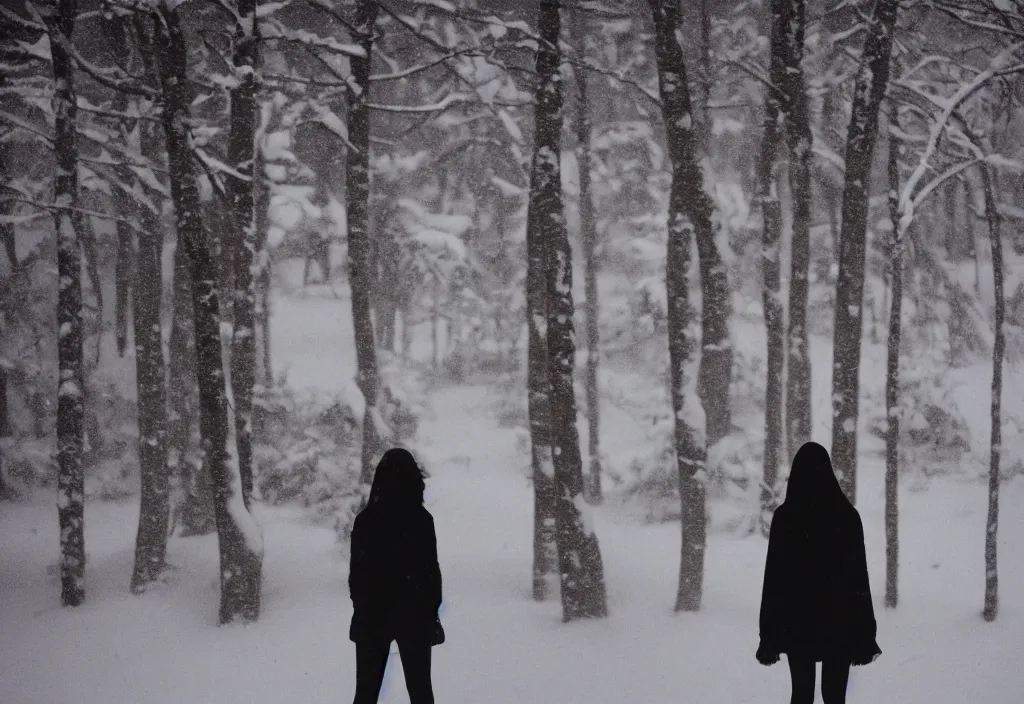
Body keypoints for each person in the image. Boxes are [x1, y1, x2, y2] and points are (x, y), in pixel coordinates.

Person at [756, 442, 881, 704]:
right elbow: (859, 579)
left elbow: (774, 580)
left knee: (801, 694)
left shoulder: (785, 519)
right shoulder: (847, 518)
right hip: (840, 622)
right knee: (835, 696)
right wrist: (865, 630)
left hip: (798, 623)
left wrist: (769, 632)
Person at [349, 448, 444, 704]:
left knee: (366, 693)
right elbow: (430, 573)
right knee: (421, 692)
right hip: (414, 616)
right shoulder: (422, 521)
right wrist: (430, 613)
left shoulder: (365, 521)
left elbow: (356, 577)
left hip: (373, 617)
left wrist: (362, 609)